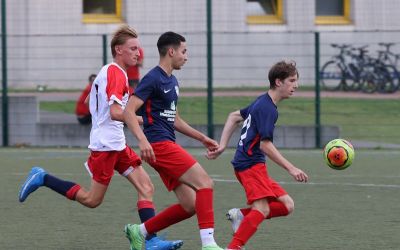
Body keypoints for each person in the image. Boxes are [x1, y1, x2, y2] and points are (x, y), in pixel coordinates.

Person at [18, 25, 183, 250]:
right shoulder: (115, 72)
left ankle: (151, 241)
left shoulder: (111, 72)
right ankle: (43, 177)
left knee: (146, 186)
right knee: (92, 200)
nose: (139, 53)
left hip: (117, 143)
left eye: (139, 49)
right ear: (118, 50)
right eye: (133, 48)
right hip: (105, 146)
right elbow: (117, 112)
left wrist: (101, 107)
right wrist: (146, 120)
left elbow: (95, 101)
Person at [123, 31, 224, 250]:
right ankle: (208, 244)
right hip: (158, 145)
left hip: (165, 145)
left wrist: (202, 138)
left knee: (189, 205)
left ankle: (139, 232)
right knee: (205, 183)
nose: (186, 56)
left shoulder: (173, 80)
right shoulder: (153, 78)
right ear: (171, 51)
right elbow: (129, 111)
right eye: (183, 51)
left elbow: (174, 118)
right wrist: (142, 141)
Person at [206, 60, 309, 250]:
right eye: (292, 80)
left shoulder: (263, 101)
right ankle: (234, 247)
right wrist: (291, 168)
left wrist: (222, 146)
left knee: (287, 205)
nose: (296, 85)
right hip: (249, 166)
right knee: (262, 208)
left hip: (251, 165)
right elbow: (265, 145)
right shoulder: (268, 108)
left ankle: (242, 216)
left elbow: (234, 116)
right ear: (278, 82)